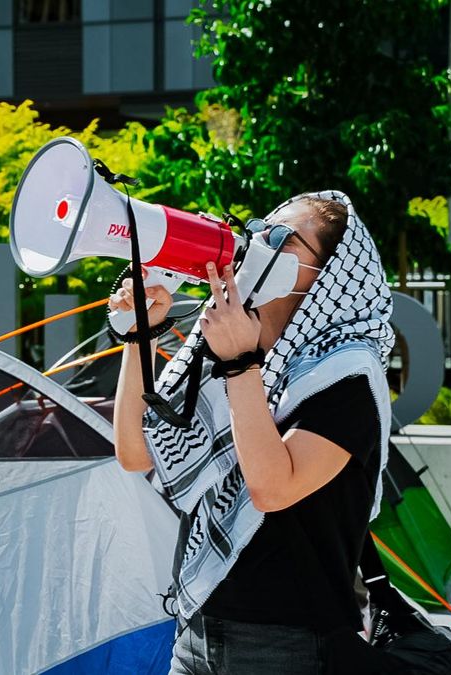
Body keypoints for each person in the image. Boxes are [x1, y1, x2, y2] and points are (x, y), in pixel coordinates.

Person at [110, 191, 395, 674]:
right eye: (261, 228)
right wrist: (139, 332)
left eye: (283, 238)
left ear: (327, 274)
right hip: (198, 626)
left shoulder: (347, 377)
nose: (259, 242)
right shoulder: (227, 341)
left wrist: (241, 365)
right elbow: (136, 452)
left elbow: (272, 487)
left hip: (290, 642)